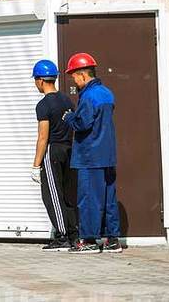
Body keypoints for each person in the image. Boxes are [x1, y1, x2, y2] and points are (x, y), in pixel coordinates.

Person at [63, 52, 122, 254]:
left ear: (82, 74)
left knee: (88, 199)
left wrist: (69, 117)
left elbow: (82, 123)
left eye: (73, 76)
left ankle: (88, 240)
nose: (73, 80)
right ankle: (113, 240)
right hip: (107, 155)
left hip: (90, 155)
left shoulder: (88, 96)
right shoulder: (106, 93)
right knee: (108, 198)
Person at [30, 60, 78, 251]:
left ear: (41, 80)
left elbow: (43, 137)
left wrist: (36, 165)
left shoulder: (43, 105)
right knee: (67, 194)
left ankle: (62, 235)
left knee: (52, 195)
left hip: (53, 150)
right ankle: (74, 234)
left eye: (35, 80)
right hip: (68, 148)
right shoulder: (67, 100)